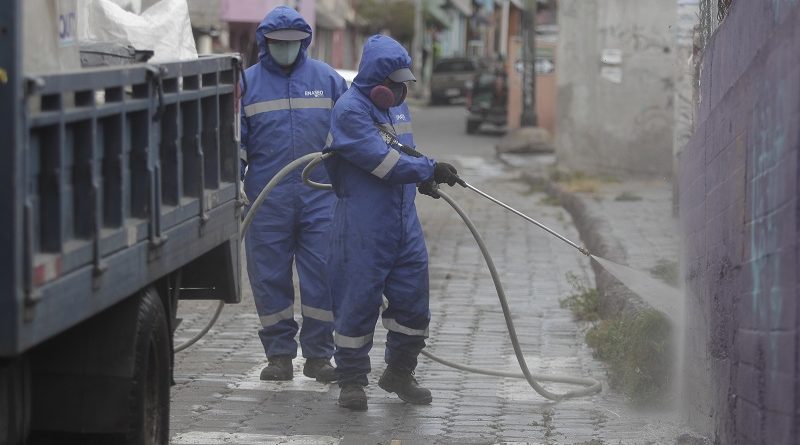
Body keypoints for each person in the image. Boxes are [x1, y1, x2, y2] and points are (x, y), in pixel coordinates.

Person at [322, 35, 465, 411]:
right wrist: (426, 168)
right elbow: (383, 163)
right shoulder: (350, 110)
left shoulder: (397, 109)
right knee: (358, 302)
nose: (403, 89)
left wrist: (424, 176)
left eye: (406, 82)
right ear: (376, 80)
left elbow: (404, 153)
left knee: (413, 303)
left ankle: (400, 371)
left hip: (403, 223)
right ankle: (352, 380)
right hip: (364, 225)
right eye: (396, 82)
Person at [239, 6, 348, 382]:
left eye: (293, 43)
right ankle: (279, 355)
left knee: (324, 275)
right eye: (278, 43)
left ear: (305, 42)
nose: (286, 49)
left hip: (321, 196)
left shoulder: (328, 80)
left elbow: (352, 132)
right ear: (264, 43)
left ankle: (319, 356)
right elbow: (236, 143)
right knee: (269, 276)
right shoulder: (247, 83)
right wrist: (235, 186)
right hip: (267, 198)